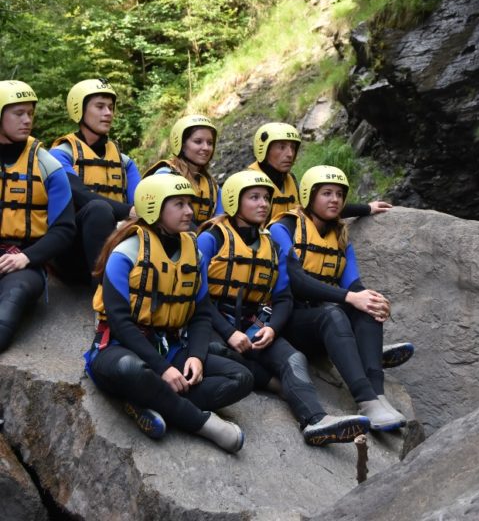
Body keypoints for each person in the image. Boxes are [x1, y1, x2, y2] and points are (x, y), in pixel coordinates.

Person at [197, 169, 371, 446]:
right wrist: (229, 332)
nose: (263, 204)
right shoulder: (211, 239)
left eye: (266, 198)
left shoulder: (271, 244)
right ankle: (269, 381)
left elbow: (283, 298)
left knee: (294, 359)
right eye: (254, 198)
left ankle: (315, 421)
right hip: (212, 321)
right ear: (233, 201)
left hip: (254, 322)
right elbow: (196, 295)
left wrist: (272, 328)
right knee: (220, 353)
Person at [85, 174, 252, 452]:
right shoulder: (125, 252)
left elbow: (200, 313)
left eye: (190, 203)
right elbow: (120, 323)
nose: (190, 211)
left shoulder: (193, 253)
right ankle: (202, 423)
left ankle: (149, 403)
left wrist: (196, 357)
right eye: (179, 204)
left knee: (242, 378)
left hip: (171, 347)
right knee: (131, 369)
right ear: (154, 208)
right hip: (120, 348)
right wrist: (163, 370)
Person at [269, 166, 409, 431]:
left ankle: (377, 396)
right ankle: (365, 399)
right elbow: (296, 281)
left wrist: (369, 300)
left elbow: (353, 282)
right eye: (326, 193)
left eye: (339, 194)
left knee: (367, 304)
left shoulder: (340, 234)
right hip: (289, 322)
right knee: (335, 310)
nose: (334, 200)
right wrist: (349, 298)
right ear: (310, 196)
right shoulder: (283, 227)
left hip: (324, 324)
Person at [0, 80, 76, 352]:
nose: (27, 120)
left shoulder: (47, 165)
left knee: (14, 296)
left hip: (25, 262)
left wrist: (26, 257)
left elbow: (65, 229)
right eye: (18, 113)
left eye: (30, 113)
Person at [50, 79, 141, 284]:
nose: (108, 113)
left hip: (116, 241)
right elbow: (81, 195)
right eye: (100, 107)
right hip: (72, 250)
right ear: (79, 110)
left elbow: (141, 201)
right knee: (98, 208)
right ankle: (104, 294)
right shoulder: (60, 154)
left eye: (110, 107)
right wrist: (129, 211)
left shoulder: (124, 161)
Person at [249, 122, 393, 223]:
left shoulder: (289, 180)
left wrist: (367, 208)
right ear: (264, 150)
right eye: (281, 147)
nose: (290, 154)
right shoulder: (246, 183)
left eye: (293, 148)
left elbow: (320, 208)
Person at [144, 114, 223, 227]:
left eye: (210, 143)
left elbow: (220, 225)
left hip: (198, 241)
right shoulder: (164, 176)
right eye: (198, 141)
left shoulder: (214, 188)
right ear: (182, 145)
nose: (206, 148)